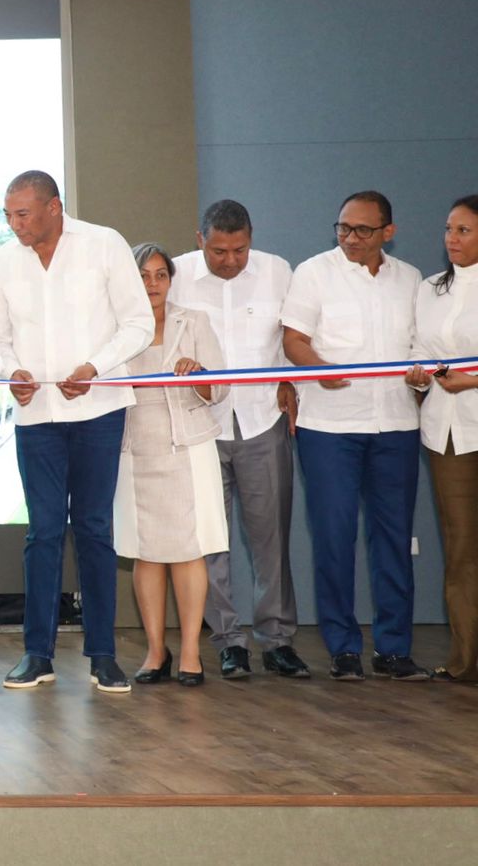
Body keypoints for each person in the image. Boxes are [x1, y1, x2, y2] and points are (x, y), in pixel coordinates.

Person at [0, 170, 152, 693]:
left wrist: (95, 368)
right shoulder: (2, 260)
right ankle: (37, 654)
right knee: (43, 532)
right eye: (8, 215)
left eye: (23, 214)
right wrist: (12, 371)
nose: (14, 225)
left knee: (96, 529)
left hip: (99, 409)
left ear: (54, 207)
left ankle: (103, 655)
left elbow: (139, 323)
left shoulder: (104, 244)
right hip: (37, 416)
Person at [282, 190, 428, 681]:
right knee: (333, 537)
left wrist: (421, 376)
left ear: (388, 232)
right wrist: (318, 368)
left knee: (394, 539)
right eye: (343, 228)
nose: (349, 238)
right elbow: (293, 340)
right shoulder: (313, 272)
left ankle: (394, 649)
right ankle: (343, 649)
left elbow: (422, 348)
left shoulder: (410, 279)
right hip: (330, 428)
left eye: (362, 230)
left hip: (396, 425)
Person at [169, 200, 311, 679]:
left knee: (271, 537)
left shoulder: (277, 271)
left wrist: (290, 380)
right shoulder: (177, 276)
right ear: (199, 240)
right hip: (201, 424)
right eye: (219, 251)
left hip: (262, 418)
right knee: (211, 540)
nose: (230, 260)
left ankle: (278, 640)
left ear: (251, 239)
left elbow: (292, 337)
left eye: (240, 250)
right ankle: (228, 641)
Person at [117, 243, 228, 687]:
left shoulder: (194, 321)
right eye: (143, 276)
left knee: (188, 550)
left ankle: (190, 654)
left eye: (160, 275)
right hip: (135, 448)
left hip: (189, 447)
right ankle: (155, 652)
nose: (153, 284)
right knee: (146, 552)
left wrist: (199, 373)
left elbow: (220, 387)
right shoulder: (117, 327)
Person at [405, 195, 478, 683]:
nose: (451, 238)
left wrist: (471, 381)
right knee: (461, 547)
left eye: (464, 230)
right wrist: (416, 377)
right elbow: (418, 353)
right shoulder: (429, 288)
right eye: (449, 229)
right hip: (447, 434)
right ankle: (466, 661)